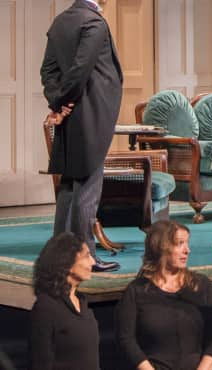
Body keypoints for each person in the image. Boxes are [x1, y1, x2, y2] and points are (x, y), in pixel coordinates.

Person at [40, 0, 123, 271]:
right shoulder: (94, 22)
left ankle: (60, 255)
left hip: (72, 112)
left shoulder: (60, 21)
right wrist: (65, 101)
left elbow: (48, 71)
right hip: (91, 112)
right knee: (88, 185)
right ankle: (84, 256)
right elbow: (81, 69)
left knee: (68, 185)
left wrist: (57, 103)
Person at [115, 220, 212, 370]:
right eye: (180, 243)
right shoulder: (137, 291)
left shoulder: (201, 285)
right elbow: (126, 339)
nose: (187, 250)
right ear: (161, 246)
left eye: (187, 243)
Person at [29, 232, 99, 370]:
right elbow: (40, 363)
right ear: (67, 263)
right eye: (86, 256)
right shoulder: (46, 308)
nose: (93, 262)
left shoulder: (82, 302)